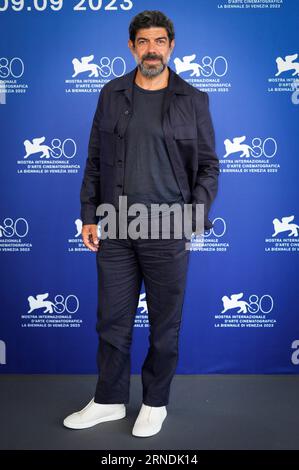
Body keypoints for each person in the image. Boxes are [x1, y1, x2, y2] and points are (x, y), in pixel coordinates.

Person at [63, 10, 219, 437]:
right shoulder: (111, 94)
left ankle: (154, 402)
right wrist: (88, 215)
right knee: (112, 321)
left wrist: (194, 215)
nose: (152, 49)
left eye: (160, 41)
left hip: (169, 228)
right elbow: (94, 160)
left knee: (165, 325)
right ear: (132, 47)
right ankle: (110, 400)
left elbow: (209, 166)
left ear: (171, 46)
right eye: (144, 41)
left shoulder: (194, 99)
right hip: (116, 226)